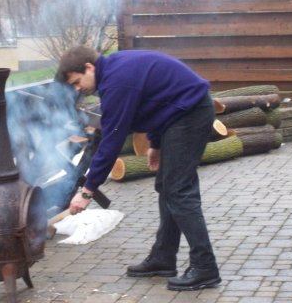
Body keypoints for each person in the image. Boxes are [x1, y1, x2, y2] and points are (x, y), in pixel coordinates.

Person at [56, 46, 221, 291]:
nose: (78, 88)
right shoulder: (115, 71)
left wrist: (87, 190)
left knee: (179, 191)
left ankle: (205, 267)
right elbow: (156, 101)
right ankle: (163, 258)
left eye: (77, 82)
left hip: (191, 114)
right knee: (167, 187)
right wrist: (155, 143)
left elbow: (111, 140)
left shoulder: (117, 82)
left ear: (89, 67)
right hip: (179, 115)